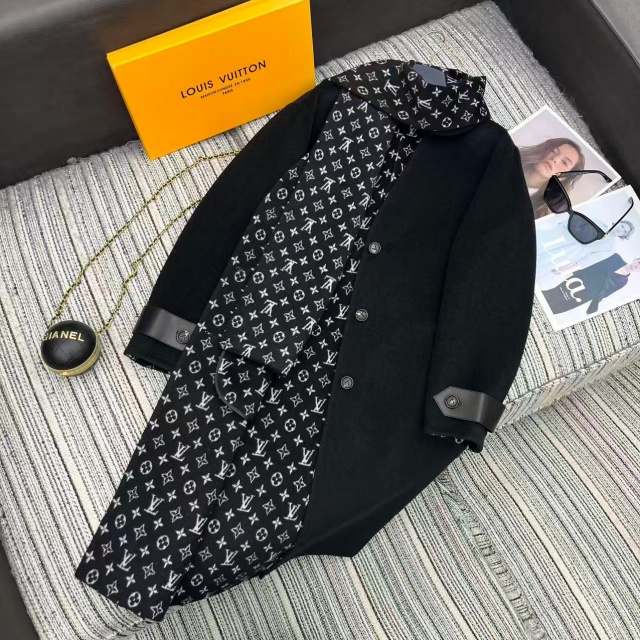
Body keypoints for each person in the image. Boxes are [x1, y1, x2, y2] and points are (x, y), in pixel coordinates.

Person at [536, 216, 635, 289]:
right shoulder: (598, 222)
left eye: (624, 231)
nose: (621, 230)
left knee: (542, 264)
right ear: (618, 223)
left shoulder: (611, 248)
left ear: (624, 235)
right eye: (622, 226)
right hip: (563, 240)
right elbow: (573, 222)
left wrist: (566, 269)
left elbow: (590, 260)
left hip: (570, 255)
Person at [541, 253, 640, 316]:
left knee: (560, 307)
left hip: (587, 295)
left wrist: (594, 305)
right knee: (553, 294)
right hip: (579, 280)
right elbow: (591, 263)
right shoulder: (615, 258)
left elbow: (606, 293)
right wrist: (570, 270)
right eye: (639, 262)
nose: (638, 266)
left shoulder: (624, 281)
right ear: (635, 259)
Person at [518, 138, 585, 219]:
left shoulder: (537, 215)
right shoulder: (508, 157)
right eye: (553, 151)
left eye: (564, 163)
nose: (555, 159)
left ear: (564, 177)